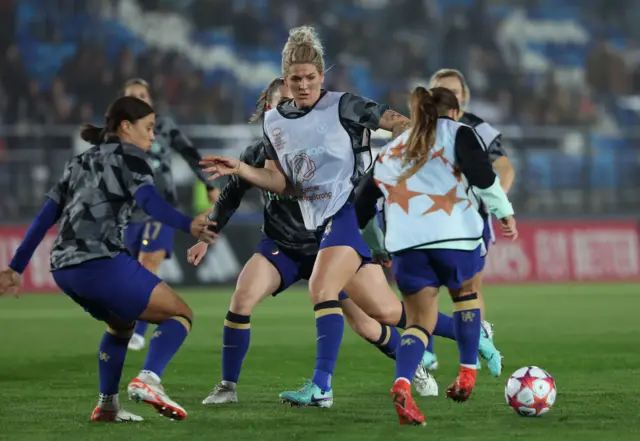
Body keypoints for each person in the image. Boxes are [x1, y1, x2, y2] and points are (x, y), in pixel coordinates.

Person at [199, 25, 427, 407]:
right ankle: (230, 386)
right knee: (242, 298)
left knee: (376, 318)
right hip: (285, 243)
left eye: (307, 80)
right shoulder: (271, 135)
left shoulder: (339, 113)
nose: (298, 90)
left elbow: (396, 129)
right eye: (292, 83)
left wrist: (403, 152)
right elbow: (261, 186)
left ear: (321, 78)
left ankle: (426, 352)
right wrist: (220, 210)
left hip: (331, 234)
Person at [0, 96, 216, 422]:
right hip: (100, 261)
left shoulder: (79, 161)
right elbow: (150, 202)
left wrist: (16, 267)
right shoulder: (134, 159)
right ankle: (149, 379)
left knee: (120, 324)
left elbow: (46, 217)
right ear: (126, 127)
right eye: (148, 128)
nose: (153, 136)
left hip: (62, 268)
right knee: (180, 315)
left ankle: (108, 405)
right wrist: (188, 224)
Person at [354, 86, 517, 426]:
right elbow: (485, 178)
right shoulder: (460, 133)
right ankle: (467, 374)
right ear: (455, 113)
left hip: (408, 247)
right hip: (457, 237)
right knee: (467, 297)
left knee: (417, 323)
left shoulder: (394, 147)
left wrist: (379, 246)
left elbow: (364, 205)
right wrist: (504, 212)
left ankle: (402, 384)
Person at [422, 68, 514, 375]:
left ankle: (472, 349)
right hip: (428, 215)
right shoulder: (420, 127)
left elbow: (504, 167)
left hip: (470, 218)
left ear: (465, 98)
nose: (448, 97)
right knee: (425, 284)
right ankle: (427, 351)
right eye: (440, 91)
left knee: (469, 287)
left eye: (454, 92)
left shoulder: (477, 128)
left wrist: (496, 203)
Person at [121, 78, 219, 351]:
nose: (138, 99)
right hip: (127, 213)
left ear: (150, 99)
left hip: (161, 207)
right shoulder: (118, 133)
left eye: (142, 94)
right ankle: (128, 326)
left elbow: (190, 153)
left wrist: (209, 183)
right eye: (132, 96)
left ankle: (138, 332)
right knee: (127, 275)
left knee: (147, 265)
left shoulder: (163, 127)